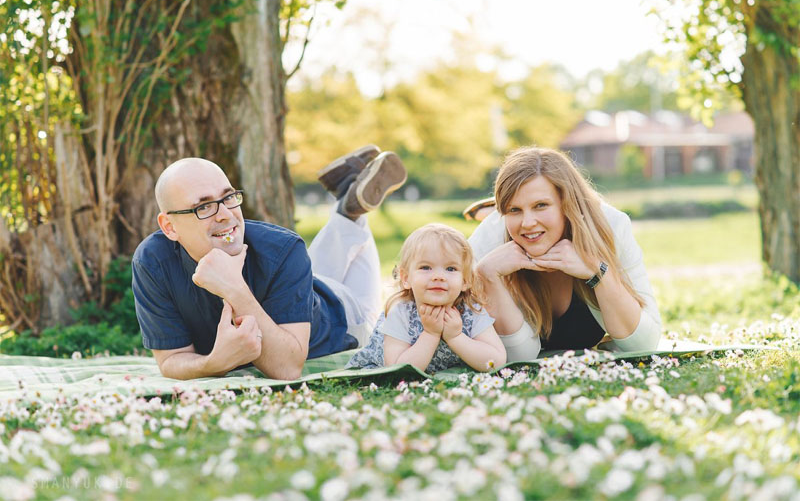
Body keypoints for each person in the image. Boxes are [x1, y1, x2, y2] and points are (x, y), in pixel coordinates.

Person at [132, 145, 407, 380]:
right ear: (169, 227)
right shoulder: (153, 262)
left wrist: (233, 288)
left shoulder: (282, 248)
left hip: (344, 314)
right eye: (204, 206)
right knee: (304, 265)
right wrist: (213, 363)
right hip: (299, 290)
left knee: (358, 304)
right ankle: (347, 198)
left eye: (228, 197)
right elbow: (171, 361)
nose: (226, 214)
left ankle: (352, 213)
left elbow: (287, 368)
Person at [468, 146, 661, 361]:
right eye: (514, 210)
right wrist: (487, 276)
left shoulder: (612, 226)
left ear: (568, 204)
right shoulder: (488, 241)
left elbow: (644, 343)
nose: (527, 223)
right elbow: (516, 357)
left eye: (541, 205)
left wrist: (598, 273)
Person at [347, 223, 506, 373]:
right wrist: (430, 334)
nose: (438, 276)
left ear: (465, 280)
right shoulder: (401, 312)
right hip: (382, 367)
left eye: (450, 268)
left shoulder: (471, 310)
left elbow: (496, 361)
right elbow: (397, 368)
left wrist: (456, 337)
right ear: (406, 278)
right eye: (425, 268)